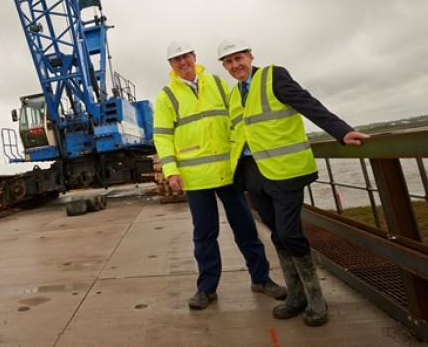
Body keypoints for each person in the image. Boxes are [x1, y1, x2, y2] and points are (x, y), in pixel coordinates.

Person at [217, 38, 370, 327]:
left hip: (286, 171)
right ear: (224, 67)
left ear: (250, 55)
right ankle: (296, 297)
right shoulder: (235, 93)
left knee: (289, 233)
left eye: (240, 58)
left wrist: (342, 131)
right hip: (254, 173)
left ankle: (315, 299)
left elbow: (307, 103)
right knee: (277, 234)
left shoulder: (273, 76)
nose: (236, 65)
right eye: (229, 61)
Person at [153, 40, 286, 310]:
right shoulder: (167, 95)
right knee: (204, 235)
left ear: (194, 56)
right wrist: (171, 171)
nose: (183, 62)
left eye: (186, 56)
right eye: (176, 59)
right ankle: (207, 289)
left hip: (228, 172)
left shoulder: (216, 82)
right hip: (196, 178)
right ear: (171, 65)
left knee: (247, 229)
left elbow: (237, 118)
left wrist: (239, 153)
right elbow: (163, 137)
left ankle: (261, 279)